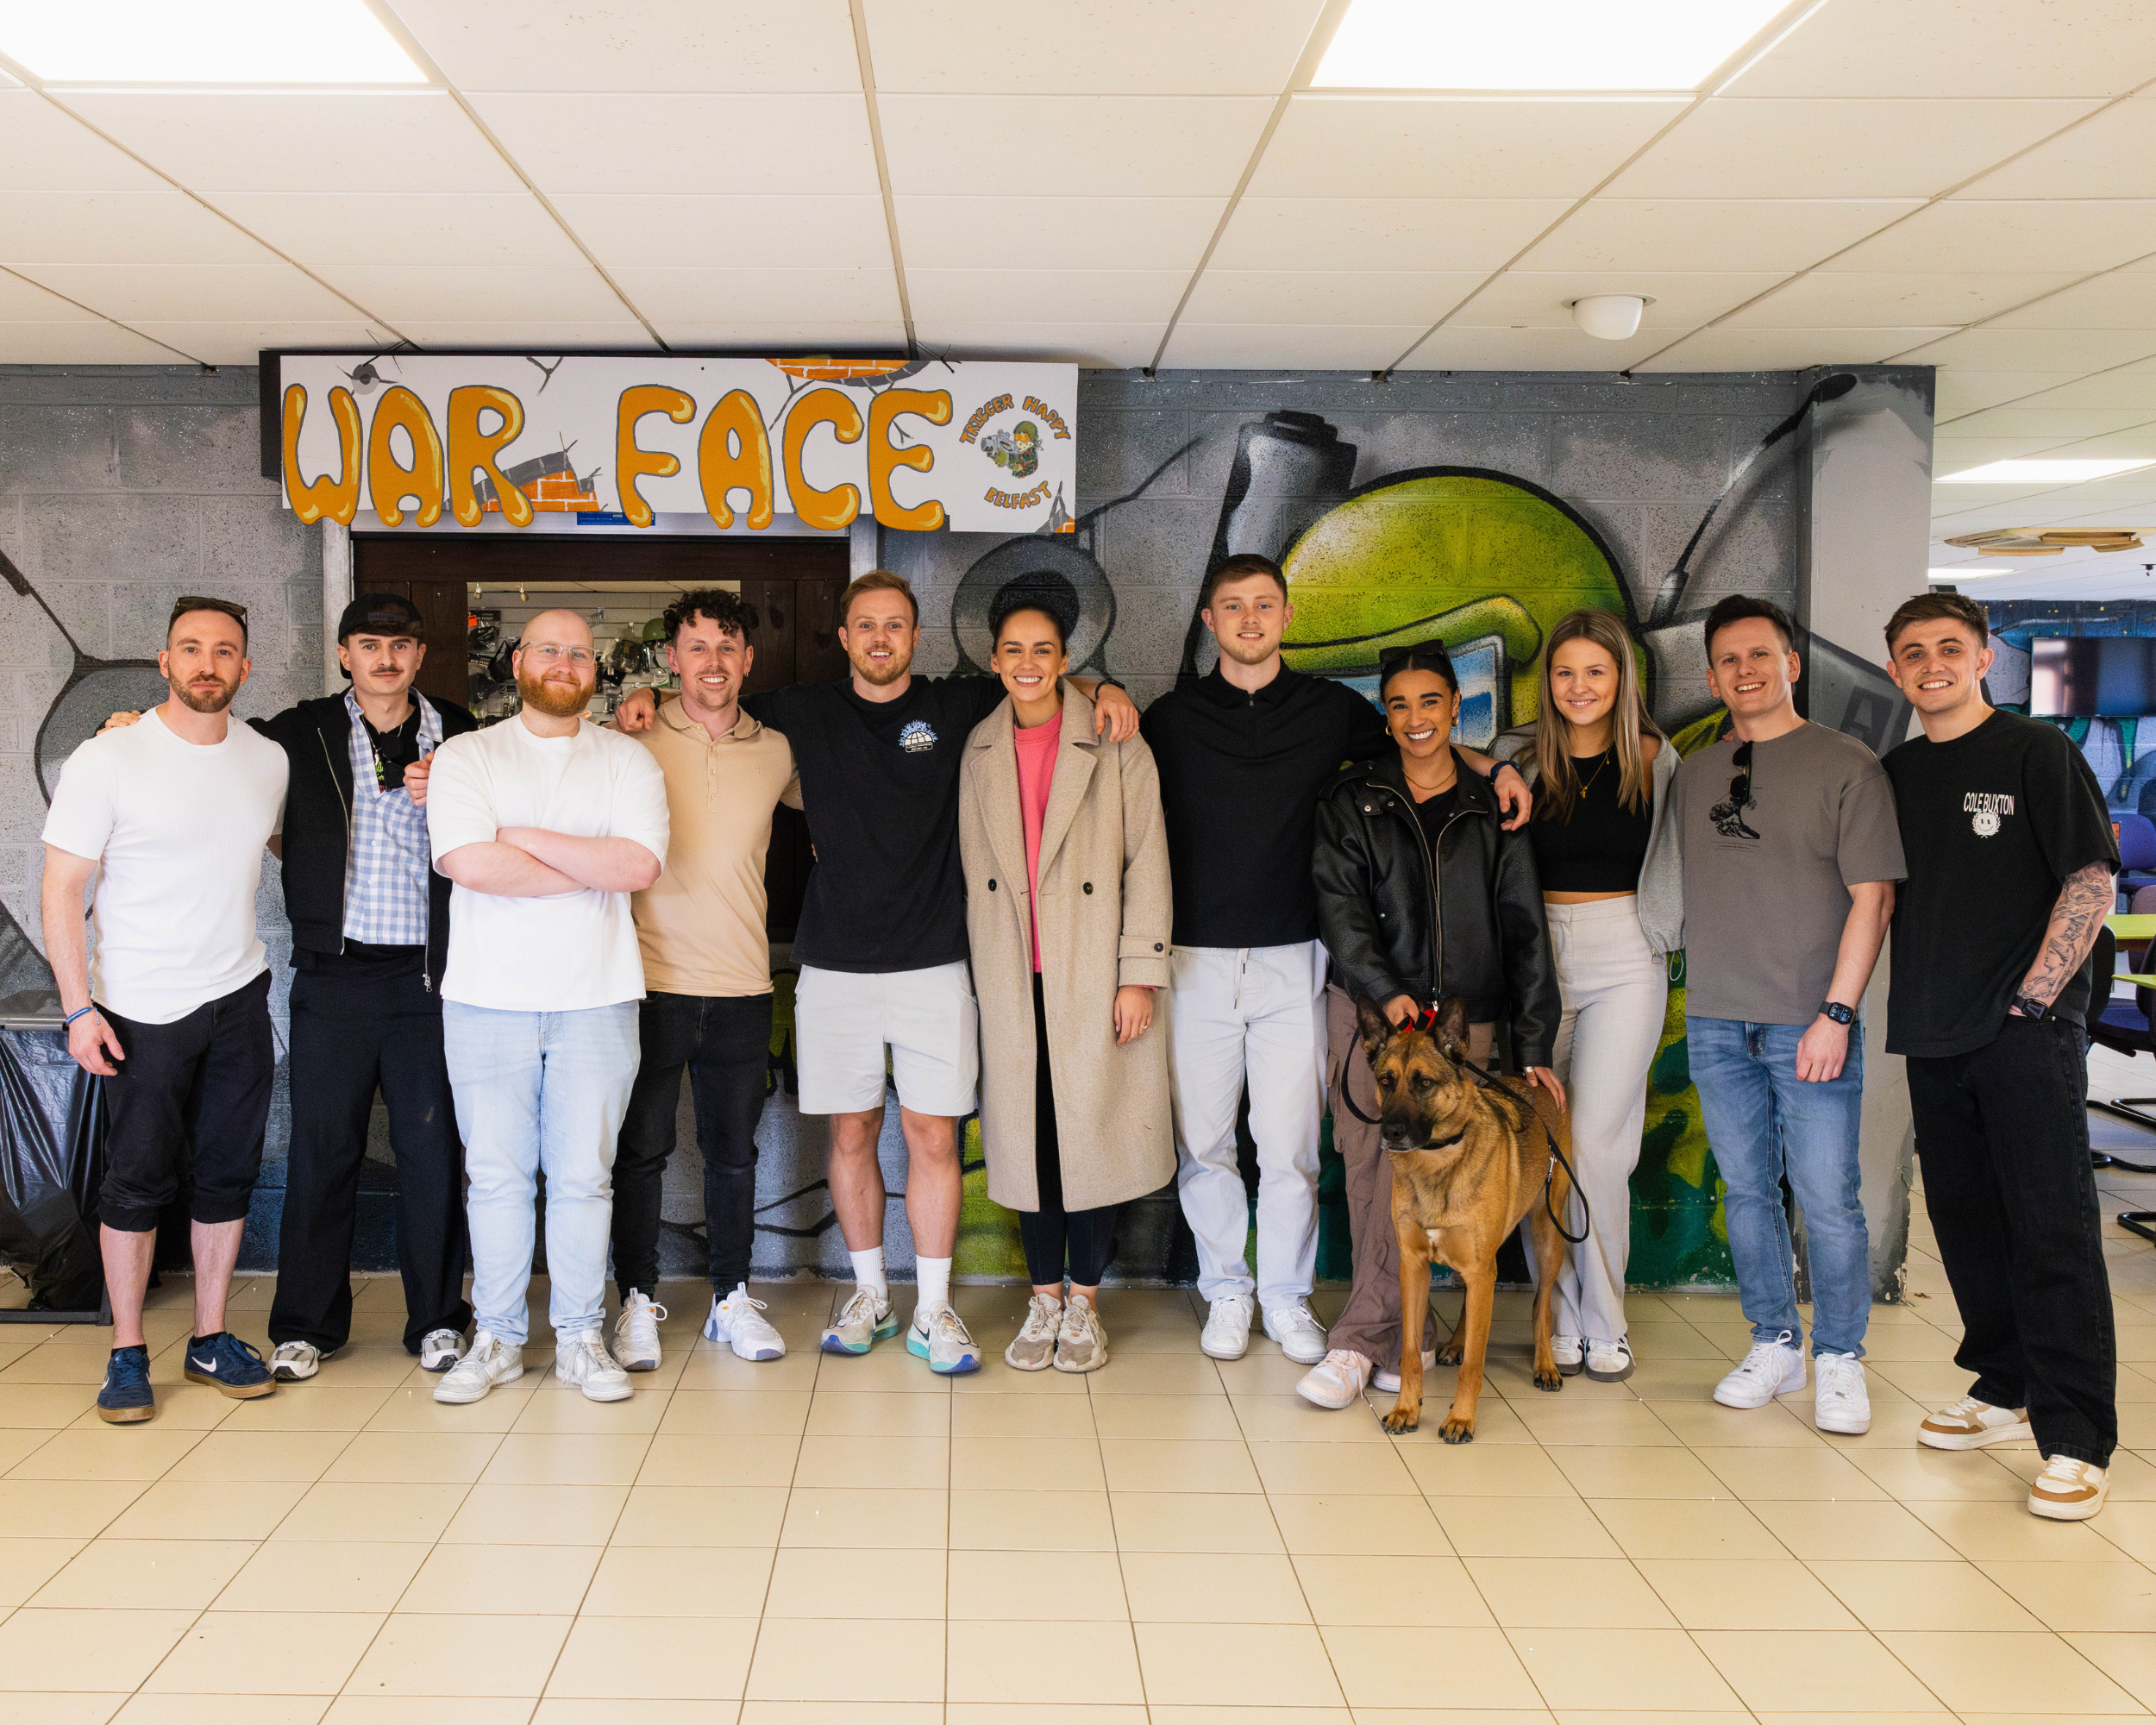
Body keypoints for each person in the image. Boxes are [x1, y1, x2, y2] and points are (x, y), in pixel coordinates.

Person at [614, 571, 1138, 1375]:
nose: (880, 639)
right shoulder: (800, 711)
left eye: (895, 625)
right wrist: (645, 695)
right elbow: (708, 694)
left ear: (915, 637)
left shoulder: (958, 705)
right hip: (833, 967)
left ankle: (934, 1309)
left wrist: (1106, 686)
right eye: (866, 625)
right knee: (851, 1132)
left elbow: (1039, 681)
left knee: (933, 1135)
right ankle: (870, 1296)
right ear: (845, 637)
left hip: (936, 961)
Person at [1142, 555, 1529, 1365]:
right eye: (1233, 606)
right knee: (1204, 1144)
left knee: (1289, 1146)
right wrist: (1101, 690)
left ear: (1287, 616)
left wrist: (1496, 766)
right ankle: (1227, 1291)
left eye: (1265, 605)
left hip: (1297, 958)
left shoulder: (1330, 711)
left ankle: (1286, 1298)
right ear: (1210, 621)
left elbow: (1423, 741)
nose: (1250, 619)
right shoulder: (1171, 718)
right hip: (1192, 960)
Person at [97, 593, 479, 1382]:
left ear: (419, 656)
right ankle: (306, 1326)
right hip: (333, 974)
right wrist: (125, 726)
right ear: (344, 654)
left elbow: (504, 813)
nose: (384, 659)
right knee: (321, 1151)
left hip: (430, 978)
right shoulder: (297, 733)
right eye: (368, 644)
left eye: (400, 646)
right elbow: (207, 748)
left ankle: (440, 1320)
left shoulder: (462, 733)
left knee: (433, 1151)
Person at [1880, 591, 2119, 1520]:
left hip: (2024, 1031)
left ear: (1984, 658)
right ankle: (2005, 1386)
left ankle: (2077, 1434)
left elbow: (2090, 879)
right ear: (1895, 668)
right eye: (1913, 651)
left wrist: (2033, 1000)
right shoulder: (1898, 771)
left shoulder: (2036, 752)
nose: (1931, 663)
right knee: (1967, 1221)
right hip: (1932, 1026)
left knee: (2050, 1225)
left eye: (1949, 647)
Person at [41, 596, 287, 1423]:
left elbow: (291, 844)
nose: (206, 664)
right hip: (139, 1008)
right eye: (190, 648)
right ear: (165, 661)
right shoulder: (108, 758)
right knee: (137, 1180)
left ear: (245, 667)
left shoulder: (267, 760)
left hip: (240, 997)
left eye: (223, 650)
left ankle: (209, 1337)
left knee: (227, 1174)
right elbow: (61, 887)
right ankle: (127, 1350)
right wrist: (78, 1010)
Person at [422, 609, 671, 1406]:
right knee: (495, 1179)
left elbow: (639, 866)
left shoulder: (627, 760)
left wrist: (522, 837)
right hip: (485, 999)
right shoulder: (468, 755)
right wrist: (589, 867)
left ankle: (578, 1339)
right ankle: (496, 1337)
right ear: (518, 660)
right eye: (549, 650)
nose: (564, 663)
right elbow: (467, 861)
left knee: (585, 1179)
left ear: (594, 670)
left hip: (597, 997)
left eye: (579, 653)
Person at [1306, 639, 1563, 1410]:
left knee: (1457, 1179)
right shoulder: (1353, 799)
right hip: (1372, 1018)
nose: (1415, 718)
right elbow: (1339, 909)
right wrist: (1385, 992)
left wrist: (1534, 1045)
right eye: (1399, 705)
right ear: (1384, 716)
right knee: (1373, 1173)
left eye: (1430, 701)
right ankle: (1367, 1341)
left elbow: (1525, 930)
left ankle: (1400, 1338)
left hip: (1461, 1025)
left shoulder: (1493, 805)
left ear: (1456, 708)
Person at [1670, 595, 1902, 1437]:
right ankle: (1774, 1341)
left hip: (1812, 1022)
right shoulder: (1695, 774)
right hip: (1716, 1021)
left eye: (1760, 654)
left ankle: (1839, 1356)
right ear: (1711, 678)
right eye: (1729, 660)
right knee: (1745, 1193)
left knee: (1827, 1197)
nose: (1746, 670)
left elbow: (1873, 899)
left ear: (1791, 664)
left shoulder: (1848, 765)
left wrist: (1836, 1013)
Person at [958, 595, 1173, 1372]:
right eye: (1013, 650)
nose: (1027, 664)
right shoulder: (978, 745)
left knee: (1093, 1138)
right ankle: (1043, 1298)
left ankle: (1084, 1303)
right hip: (1011, 975)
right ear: (994, 660)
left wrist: (1139, 975)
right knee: (1032, 1145)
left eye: (1042, 650)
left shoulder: (1116, 741)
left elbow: (1147, 860)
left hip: (1092, 970)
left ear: (1065, 660)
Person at [1486, 608, 1681, 1383]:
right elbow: (1453, 758)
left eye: (1595, 671)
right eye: (1564, 672)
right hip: (1536, 958)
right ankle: (1556, 1316)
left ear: (1621, 678)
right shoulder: (1522, 756)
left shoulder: (1655, 758)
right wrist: (1496, 770)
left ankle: (1604, 1320)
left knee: (1597, 1144)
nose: (1578, 686)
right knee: (1542, 1138)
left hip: (1626, 952)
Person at [611, 588, 798, 1369]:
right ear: (671, 658)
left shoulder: (779, 751)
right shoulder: (631, 738)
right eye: (697, 647)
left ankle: (731, 1298)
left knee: (733, 1156)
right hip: (648, 983)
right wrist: (629, 702)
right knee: (640, 1153)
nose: (713, 662)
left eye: (727, 647)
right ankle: (635, 1301)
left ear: (748, 660)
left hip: (743, 987)